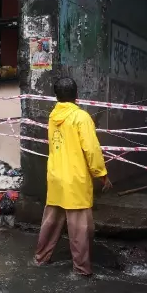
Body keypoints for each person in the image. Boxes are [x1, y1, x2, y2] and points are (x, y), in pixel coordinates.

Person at [34, 77, 112, 276]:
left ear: (57, 96)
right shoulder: (81, 117)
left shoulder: (53, 116)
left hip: (56, 178)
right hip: (75, 181)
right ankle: (81, 269)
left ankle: (41, 259)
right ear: (77, 96)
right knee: (80, 231)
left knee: (50, 223)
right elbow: (92, 150)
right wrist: (101, 174)